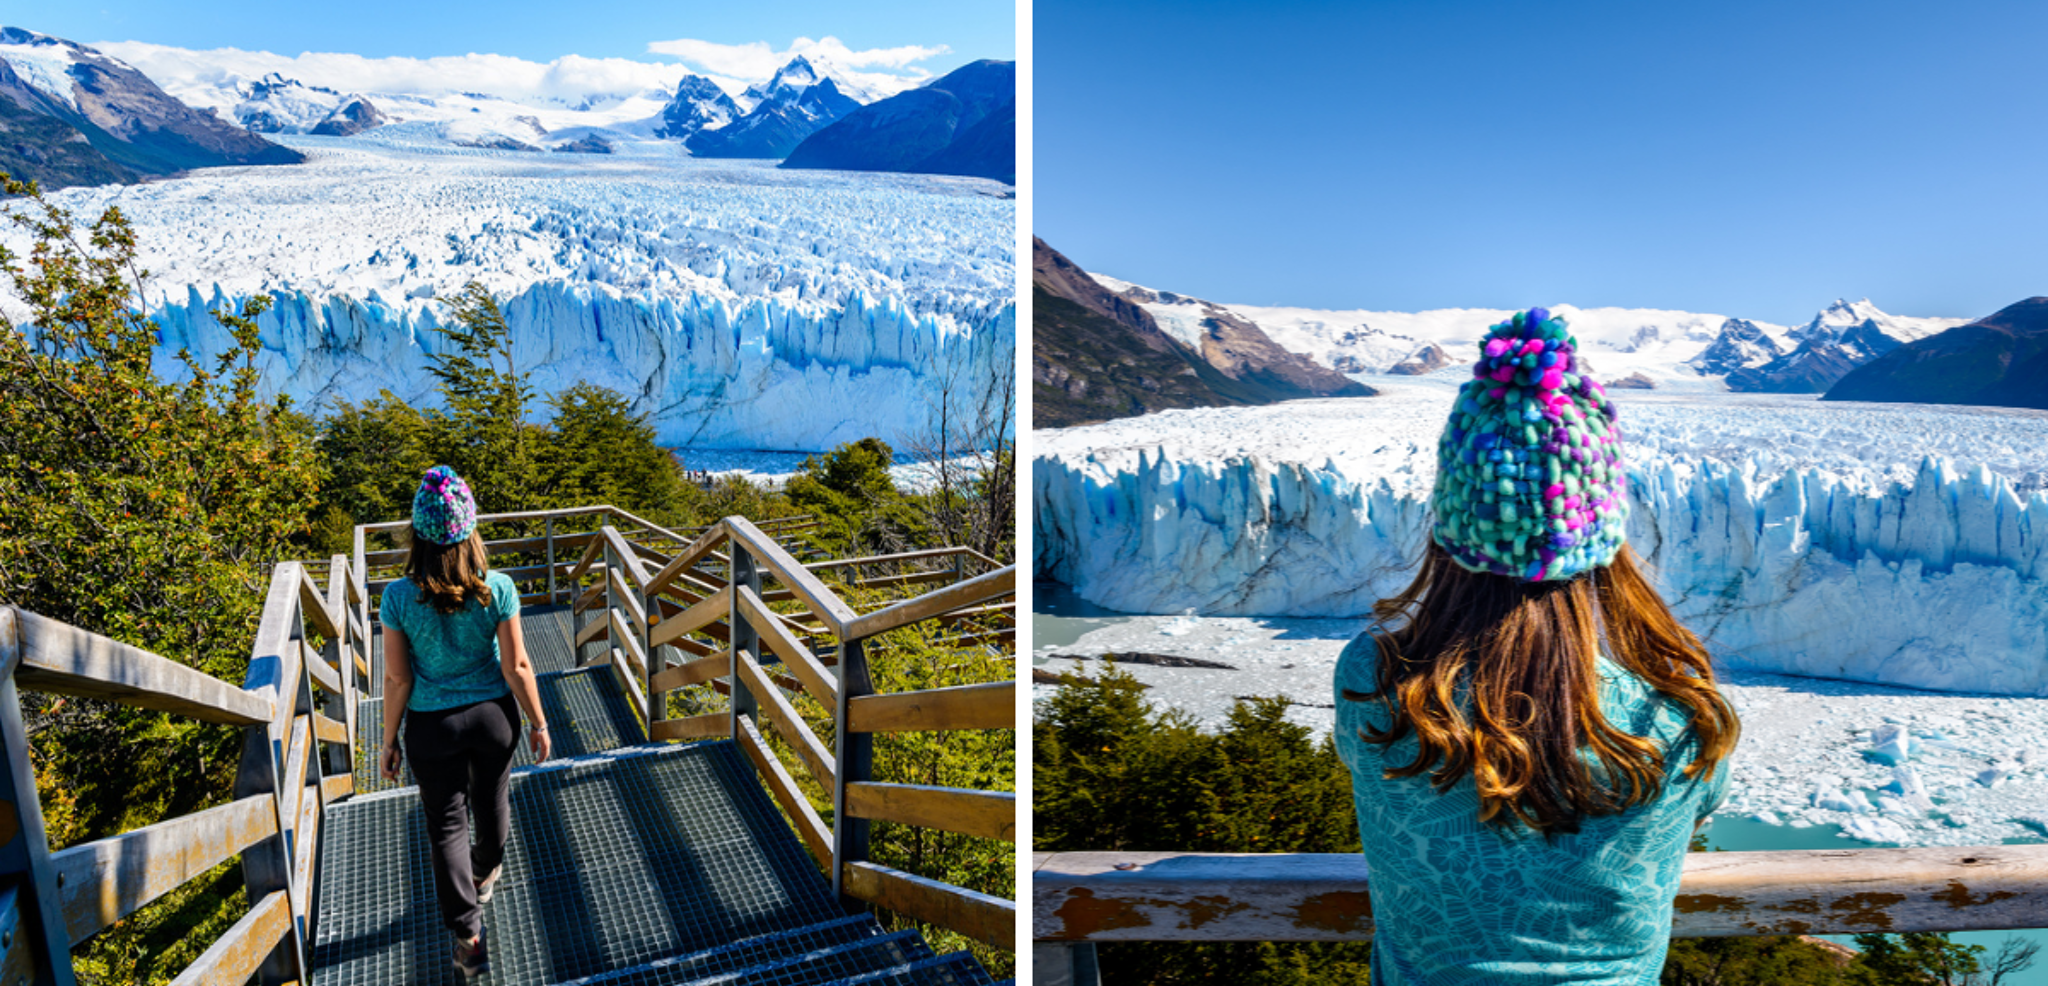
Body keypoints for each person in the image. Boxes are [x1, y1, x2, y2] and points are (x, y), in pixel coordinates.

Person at [1334, 308, 1740, 984]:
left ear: (1450, 522)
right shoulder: (1681, 716)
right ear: (1607, 533)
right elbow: (1698, 806)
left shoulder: (1375, 681)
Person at [379, 465, 552, 978]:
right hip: (493, 718)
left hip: (432, 726)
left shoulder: (397, 597)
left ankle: (469, 934)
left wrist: (389, 740)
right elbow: (517, 666)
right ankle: (485, 870)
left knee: (445, 825)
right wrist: (539, 723)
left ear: (419, 534)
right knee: (492, 800)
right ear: (469, 529)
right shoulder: (496, 588)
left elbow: (397, 680)